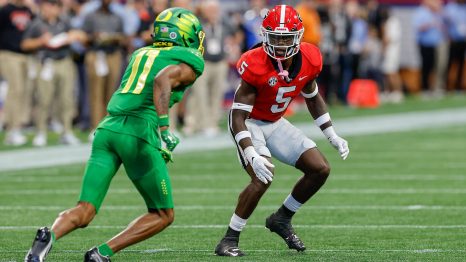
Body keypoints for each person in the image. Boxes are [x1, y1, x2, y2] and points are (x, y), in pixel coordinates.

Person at [24, 7, 205, 262]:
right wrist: (165, 129)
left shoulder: (141, 52)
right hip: (138, 132)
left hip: (107, 129)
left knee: (85, 210)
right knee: (163, 214)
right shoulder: (188, 58)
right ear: (184, 34)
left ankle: (49, 236)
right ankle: (101, 253)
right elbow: (162, 80)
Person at [214, 5, 349, 257]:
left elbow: (312, 96)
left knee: (320, 169)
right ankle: (229, 238)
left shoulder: (310, 58)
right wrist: (250, 152)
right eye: (274, 37)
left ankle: (282, 218)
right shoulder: (254, 62)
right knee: (263, 176)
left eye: (285, 37)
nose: (279, 43)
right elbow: (238, 115)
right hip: (249, 123)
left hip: (275, 122)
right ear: (265, 35)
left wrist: (331, 134)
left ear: (298, 37)